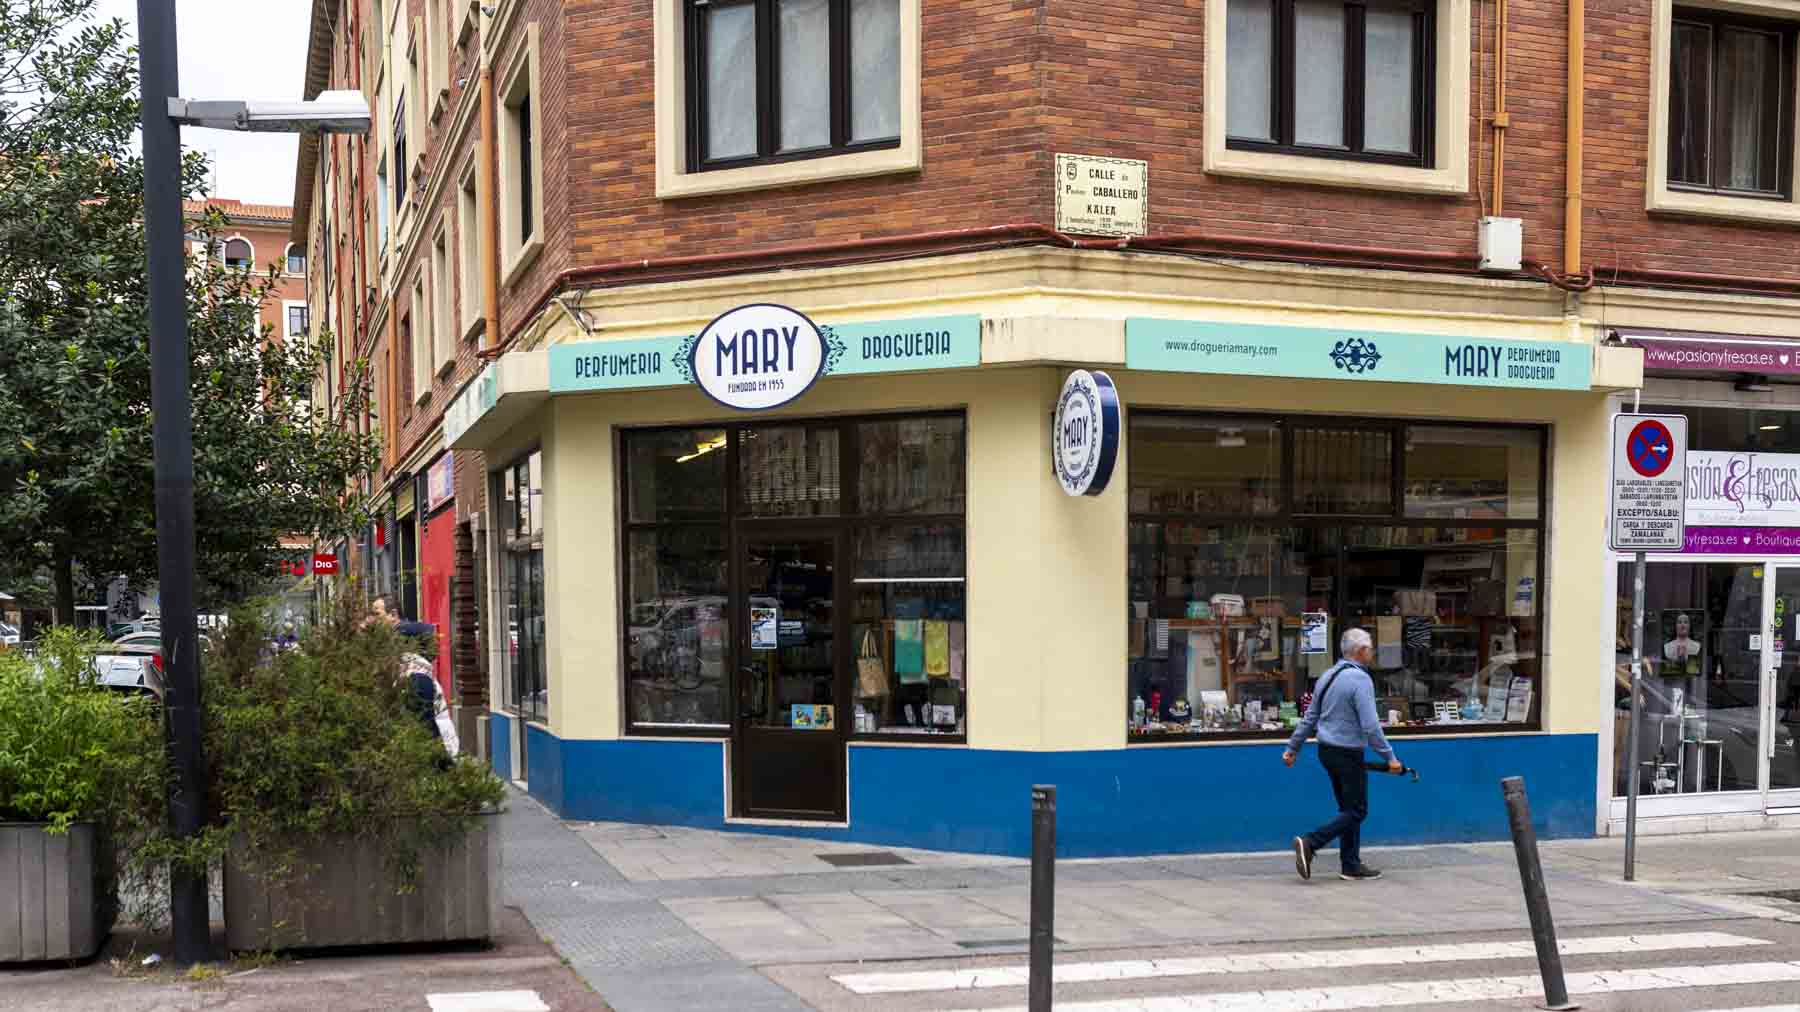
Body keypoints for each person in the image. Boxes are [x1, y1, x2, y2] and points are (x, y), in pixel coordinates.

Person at [1283, 627, 1400, 882]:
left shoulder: (1328, 675)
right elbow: (1370, 726)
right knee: (1357, 811)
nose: (1372, 652)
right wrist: (1389, 757)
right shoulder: (1360, 680)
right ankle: (1310, 843)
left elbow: (1310, 717)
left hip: (1326, 751)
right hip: (1347, 753)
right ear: (1360, 651)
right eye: (1370, 648)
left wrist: (1293, 748)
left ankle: (1350, 864)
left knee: (1348, 808)